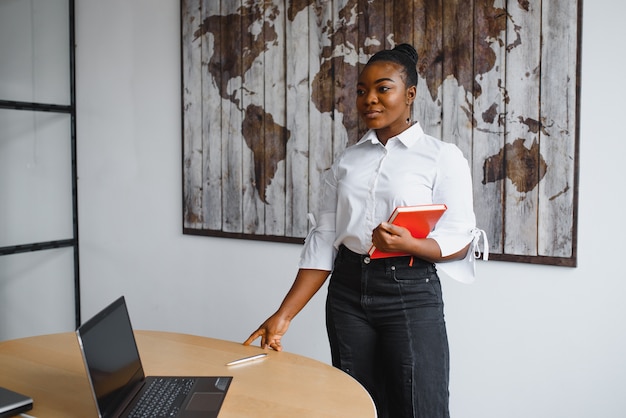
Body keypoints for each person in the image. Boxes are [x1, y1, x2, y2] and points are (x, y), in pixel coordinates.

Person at [244, 43, 485, 418]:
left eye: (382, 88)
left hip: (410, 290)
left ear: (409, 95)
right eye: (361, 91)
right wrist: (284, 315)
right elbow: (324, 241)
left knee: (420, 406)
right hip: (347, 293)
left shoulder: (442, 157)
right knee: (356, 404)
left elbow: (459, 240)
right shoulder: (347, 161)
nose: (369, 99)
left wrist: (413, 244)